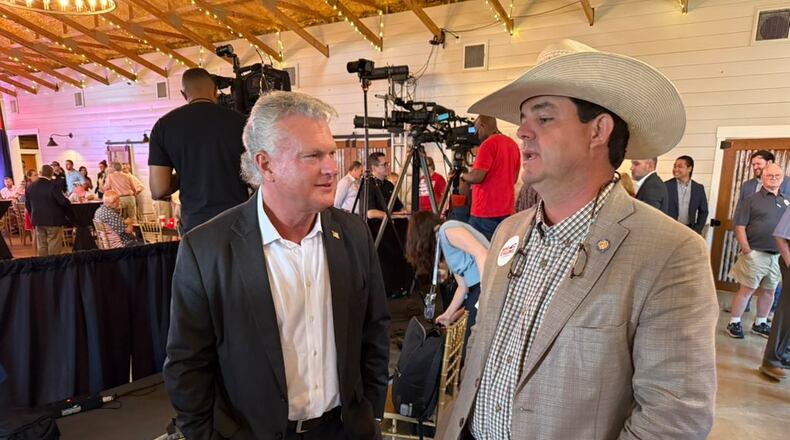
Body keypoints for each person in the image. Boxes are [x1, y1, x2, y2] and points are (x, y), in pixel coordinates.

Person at [438, 39, 717, 440]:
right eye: (523, 118)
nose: (523, 131)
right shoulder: (507, 233)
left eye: (544, 118)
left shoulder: (670, 253)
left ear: (598, 130)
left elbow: (673, 419)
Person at [163, 91, 389, 440]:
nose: (332, 167)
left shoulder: (354, 233)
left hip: (344, 431)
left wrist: (370, 416)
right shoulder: (206, 248)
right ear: (265, 165)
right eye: (313, 155)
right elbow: (187, 364)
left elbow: (373, 332)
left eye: (330, 152)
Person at [148, 67, 251, 233]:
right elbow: (255, 178)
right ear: (215, 91)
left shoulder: (164, 126)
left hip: (195, 225)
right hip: (237, 221)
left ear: (183, 94)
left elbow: (159, 189)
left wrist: (186, 173)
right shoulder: (241, 122)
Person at [726, 163, 788, 339]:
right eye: (770, 175)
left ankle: (760, 323)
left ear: (782, 179)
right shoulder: (751, 200)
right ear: (763, 177)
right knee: (747, 289)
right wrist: (747, 250)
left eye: (777, 176)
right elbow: (739, 226)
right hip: (755, 253)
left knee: (769, 291)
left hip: (778, 256)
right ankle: (734, 322)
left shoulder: (787, 200)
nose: (774, 178)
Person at [405, 211, 488, 337]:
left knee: (470, 340)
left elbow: (482, 253)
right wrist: (448, 315)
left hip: (484, 284)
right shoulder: (444, 242)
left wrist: (485, 292)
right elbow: (463, 287)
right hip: (477, 288)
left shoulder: (447, 230)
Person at [461, 115, 520, 240]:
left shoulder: (487, 145)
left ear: (482, 126)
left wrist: (463, 175)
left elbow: (477, 177)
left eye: (477, 131)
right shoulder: (513, 145)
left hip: (484, 213)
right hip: (507, 212)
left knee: (480, 253)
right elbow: (514, 179)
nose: (477, 135)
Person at [25, 165, 71, 256]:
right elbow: (62, 202)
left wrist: (34, 214)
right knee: (53, 243)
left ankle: (43, 265)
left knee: (42, 244)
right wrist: (68, 202)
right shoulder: (53, 186)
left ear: (40, 173)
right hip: (53, 220)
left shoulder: (30, 187)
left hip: (38, 220)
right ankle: (53, 266)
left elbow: (27, 205)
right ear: (51, 174)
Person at [665, 155, 709, 235]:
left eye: (680, 167)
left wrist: (697, 230)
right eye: (674, 166)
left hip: (689, 231)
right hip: (669, 230)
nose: (675, 169)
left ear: (689, 169)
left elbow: (704, 211)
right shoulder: (665, 186)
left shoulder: (699, 188)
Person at [366, 152, 403, 218]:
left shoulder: (389, 184)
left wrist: (405, 213)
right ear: (374, 168)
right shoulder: (368, 185)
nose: (388, 167)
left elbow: (399, 206)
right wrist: (395, 215)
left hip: (393, 224)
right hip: (377, 226)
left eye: (387, 164)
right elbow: (371, 213)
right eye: (384, 165)